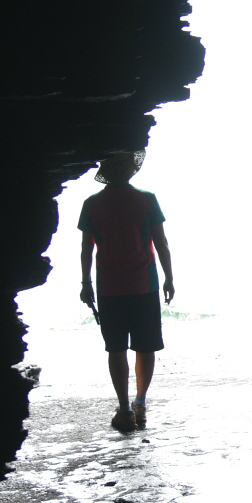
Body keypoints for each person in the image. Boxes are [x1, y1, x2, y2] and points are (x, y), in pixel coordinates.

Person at [78, 150, 174, 432]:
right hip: (144, 284)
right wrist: (169, 278)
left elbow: (86, 249)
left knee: (116, 348)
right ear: (131, 169)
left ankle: (124, 409)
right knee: (145, 346)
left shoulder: (92, 204)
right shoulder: (147, 199)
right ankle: (140, 404)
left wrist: (85, 284)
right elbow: (161, 243)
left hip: (109, 287)